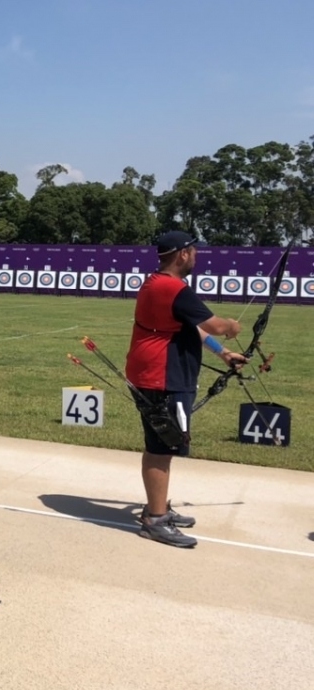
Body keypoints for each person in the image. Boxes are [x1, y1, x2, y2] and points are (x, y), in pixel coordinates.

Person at [124, 230, 244, 548]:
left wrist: (224, 353)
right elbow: (216, 325)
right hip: (161, 378)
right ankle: (155, 520)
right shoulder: (172, 288)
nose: (197, 256)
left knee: (164, 446)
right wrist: (232, 328)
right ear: (182, 255)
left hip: (157, 375)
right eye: (194, 251)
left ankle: (157, 508)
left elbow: (195, 328)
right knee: (162, 448)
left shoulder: (157, 283)